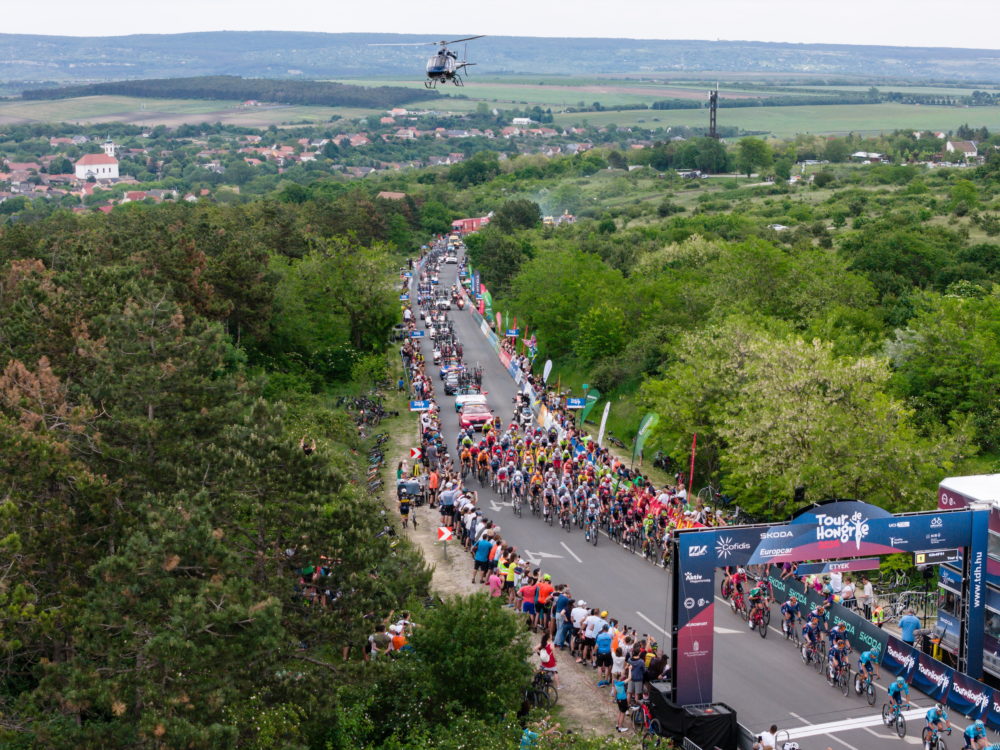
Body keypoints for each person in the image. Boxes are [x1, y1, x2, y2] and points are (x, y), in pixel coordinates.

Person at [613, 668, 631, 733]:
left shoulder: (615, 682)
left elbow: (615, 692)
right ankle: (620, 728)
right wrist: (630, 669)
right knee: (623, 714)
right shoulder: (621, 683)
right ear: (620, 677)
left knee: (620, 712)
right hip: (623, 700)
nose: (623, 675)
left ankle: (618, 725)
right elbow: (630, 678)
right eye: (622, 675)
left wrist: (615, 698)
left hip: (619, 699)